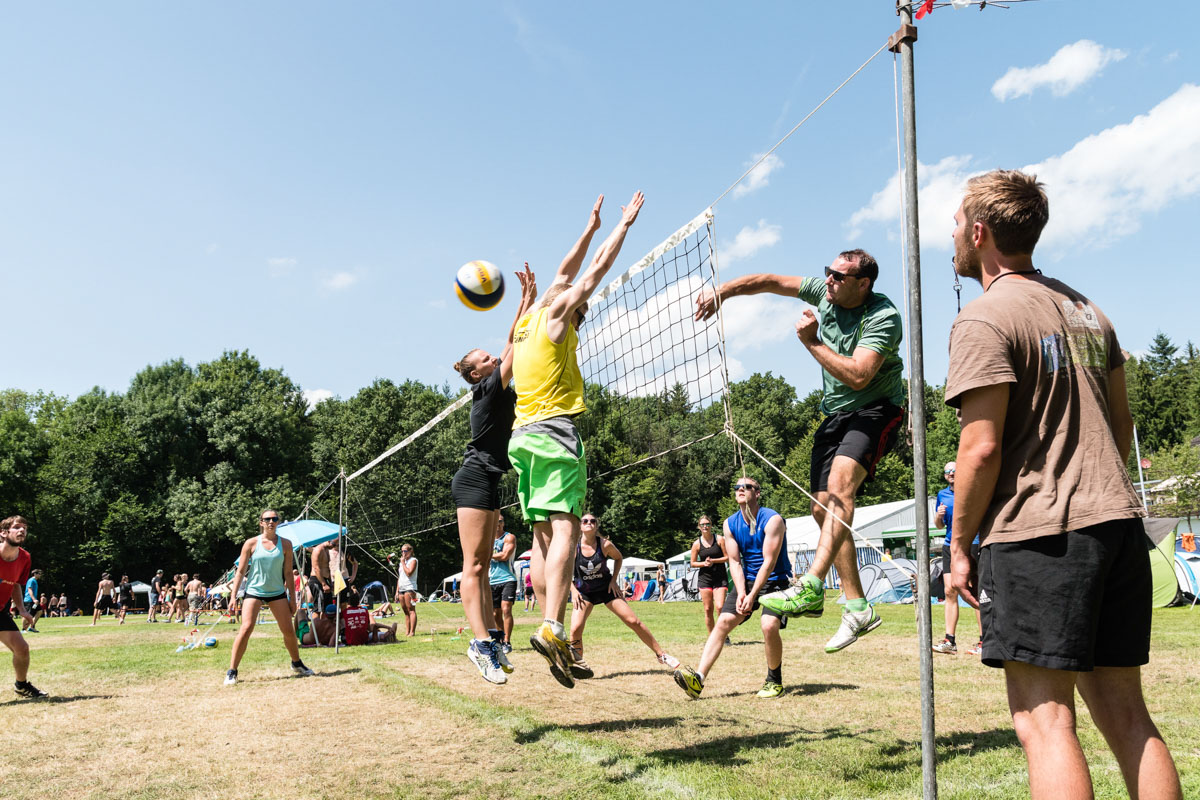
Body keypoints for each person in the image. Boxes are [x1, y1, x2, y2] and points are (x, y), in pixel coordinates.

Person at [945, 169, 1180, 800]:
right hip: (1118, 527)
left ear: (979, 232)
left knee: (1045, 724)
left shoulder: (983, 318)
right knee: (1128, 717)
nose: (953, 237)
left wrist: (959, 545)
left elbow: (981, 447)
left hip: (1039, 534)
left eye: (956, 224)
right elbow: (1123, 425)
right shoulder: (1088, 311)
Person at [695, 249, 904, 653]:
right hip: (835, 415)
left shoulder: (882, 316)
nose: (829, 280)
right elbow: (770, 281)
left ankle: (811, 583)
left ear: (863, 284)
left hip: (875, 409)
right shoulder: (823, 292)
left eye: (839, 277)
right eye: (828, 272)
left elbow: (859, 376)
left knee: (841, 487)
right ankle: (858, 607)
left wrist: (812, 342)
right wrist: (722, 292)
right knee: (822, 509)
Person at [510, 191, 644, 689]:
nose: (561, 283)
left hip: (521, 438)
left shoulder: (527, 322)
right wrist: (620, 228)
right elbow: (591, 272)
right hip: (553, 431)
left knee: (542, 538)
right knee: (566, 527)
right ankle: (551, 625)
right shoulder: (555, 317)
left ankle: (554, 629)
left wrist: (588, 229)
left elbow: (566, 272)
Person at [450, 263, 537, 684]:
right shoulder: (486, 388)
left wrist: (524, 301)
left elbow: (509, 342)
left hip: (488, 480)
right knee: (473, 566)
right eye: (486, 359)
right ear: (476, 373)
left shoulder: (493, 383)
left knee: (483, 567)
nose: (494, 358)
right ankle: (480, 644)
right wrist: (527, 305)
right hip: (473, 479)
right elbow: (515, 344)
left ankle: (494, 638)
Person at [674, 477, 791, 699]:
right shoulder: (730, 524)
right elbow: (735, 561)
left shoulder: (773, 519)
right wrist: (742, 592)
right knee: (723, 622)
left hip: (775, 580)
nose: (740, 489)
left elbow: (769, 562)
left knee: (768, 625)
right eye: (737, 487)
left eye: (747, 487)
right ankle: (698, 680)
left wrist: (753, 595)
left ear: (758, 493)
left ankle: (774, 681)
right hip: (746, 580)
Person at [567, 514, 679, 679]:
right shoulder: (574, 547)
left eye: (592, 521)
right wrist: (573, 590)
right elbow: (564, 569)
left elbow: (618, 558)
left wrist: (613, 581)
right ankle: (578, 667)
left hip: (606, 589)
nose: (589, 523)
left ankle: (661, 655)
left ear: (596, 525)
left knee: (633, 621)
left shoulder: (604, 544)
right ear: (580, 526)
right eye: (585, 521)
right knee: (575, 629)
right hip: (584, 592)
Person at [225, 509, 313, 685]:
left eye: (274, 519)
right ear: (261, 523)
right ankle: (232, 671)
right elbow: (240, 572)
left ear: (278, 522)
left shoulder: (286, 544)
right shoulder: (251, 543)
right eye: (267, 519)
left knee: (288, 631)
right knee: (246, 628)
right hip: (254, 591)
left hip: (277, 592)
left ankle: (296, 663)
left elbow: (288, 573)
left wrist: (292, 599)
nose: (271, 522)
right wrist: (233, 596)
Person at [932, 461, 981, 656]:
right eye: (947, 471)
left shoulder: (972, 490)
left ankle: (984, 641)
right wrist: (938, 516)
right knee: (949, 591)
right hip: (949, 546)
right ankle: (949, 641)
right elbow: (939, 525)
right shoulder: (942, 495)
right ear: (945, 476)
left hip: (972, 543)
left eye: (954, 470)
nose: (951, 473)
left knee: (976, 591)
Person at [1, 517, 47, 698]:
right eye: (17, 527)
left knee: (21, 649)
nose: (22, 530)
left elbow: (16, 584)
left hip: (0, 610)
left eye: (25, 528)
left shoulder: (24, 557)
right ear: (3, 533)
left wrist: (22, 609)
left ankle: (21, 685)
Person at [689, 515, 729, 637]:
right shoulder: (696, 544)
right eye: (702, 524)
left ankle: (723, 636)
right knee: (708, 609)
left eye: (707, 524)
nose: (705, 526)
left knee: (720, 607)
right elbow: (692, 563)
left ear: (711, 526)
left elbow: (727, 557)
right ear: (699, 527)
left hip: (720, 577)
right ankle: (712, 637)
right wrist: (704, 564)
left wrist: (714, 561)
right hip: (705, 579)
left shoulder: (720, 539)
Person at [488, 518, 519, 655]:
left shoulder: (509, 537)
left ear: (503, 523)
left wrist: (487, 555)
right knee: (496, 613)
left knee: (506, 609)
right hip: (492, 580)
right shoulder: (488, 539)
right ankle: (500, 639)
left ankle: (507, 641)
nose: (497, 523)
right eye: (495, 521)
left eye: (500, 521)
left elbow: (505, 556)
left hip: (508, 578)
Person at [394, 544, 418, 637]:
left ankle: (412, 632)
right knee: (405, 611)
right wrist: (397, 591)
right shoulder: (401, 563)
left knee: (411, 610)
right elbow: (400, 577)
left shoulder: (413, 560)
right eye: (402, 551)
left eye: (405, 551)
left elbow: (409, 573)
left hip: (410, 588)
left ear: (410, 551)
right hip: (401, 588)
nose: (403, 553)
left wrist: (403, 563)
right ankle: (407, 631)